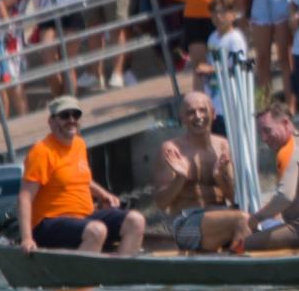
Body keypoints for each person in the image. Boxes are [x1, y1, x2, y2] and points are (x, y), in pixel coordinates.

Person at [17, 96, 148, 254]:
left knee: (136, 221)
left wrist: (104, 194)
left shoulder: (79, 144)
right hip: (49, 223)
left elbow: (82, 179)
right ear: (51, 121)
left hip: (84, 218)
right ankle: (82, 279)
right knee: (96, 231)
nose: (71, 120)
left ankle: (118, 275)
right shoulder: (41, 152)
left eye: (76, 115)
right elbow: (24, 197)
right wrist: (27, 238)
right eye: (65, 115)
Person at [226, 105, 299, 251]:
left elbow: (284, 197)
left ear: (286, 123)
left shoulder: (290, 150)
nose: (263, 138)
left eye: (267, 130)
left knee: (238, 245)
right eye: (260, 133)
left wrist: (254, 219)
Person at [151, 91, 244, 251]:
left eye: (202, 110)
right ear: (182, 118)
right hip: (184, 223)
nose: (198, 116)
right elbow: (161, 202)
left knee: (257, 219)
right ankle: (238, 266)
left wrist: (219, 177)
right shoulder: (172, 150)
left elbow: (234, 197)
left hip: (219, 216)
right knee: (242, 219)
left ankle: (235, 261)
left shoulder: (223, 146)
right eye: (190, 112)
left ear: (213, 114)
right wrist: (180, 178)